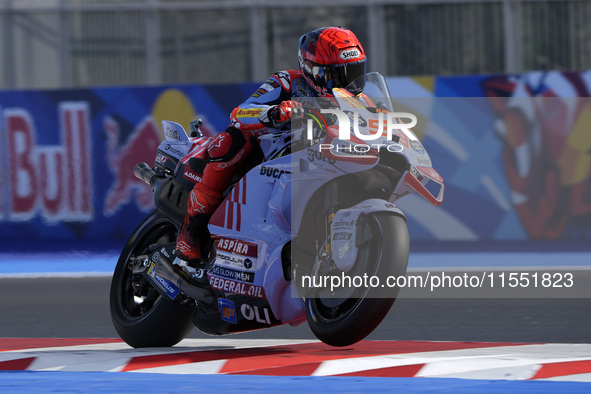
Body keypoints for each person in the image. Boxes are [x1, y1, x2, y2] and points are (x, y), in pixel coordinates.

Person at [174, 26, 367, 266]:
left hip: (320, 160)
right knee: (229, 143)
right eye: (340, 76)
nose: (350, 83)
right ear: (312, 70)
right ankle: (189, 236)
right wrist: (274, 113)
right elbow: (241, 112)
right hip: (269, 151)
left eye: (356, 73)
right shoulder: (287, 82)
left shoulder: (360, 102)